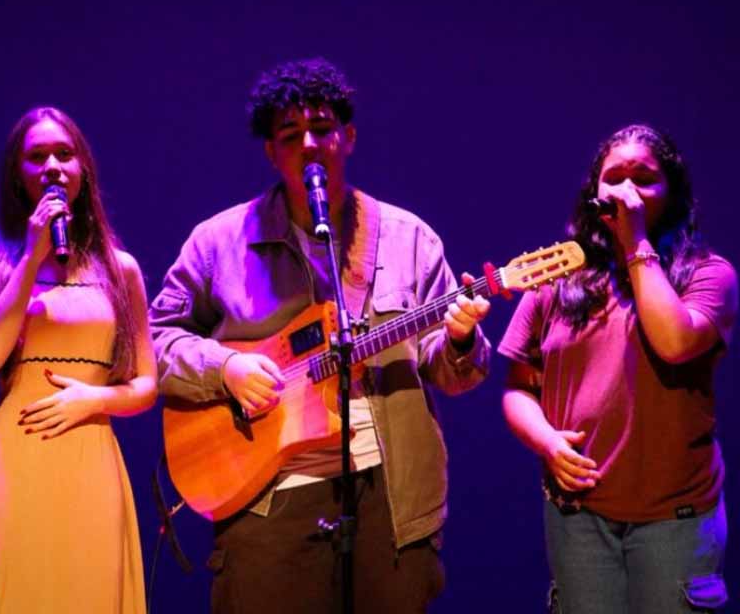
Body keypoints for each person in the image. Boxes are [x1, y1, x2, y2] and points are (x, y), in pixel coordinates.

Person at [149, 58, 491, 612]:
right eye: (291, 134)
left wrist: (458, 339)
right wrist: (227, 369)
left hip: (389, 496)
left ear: (348, 137)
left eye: (323, 129)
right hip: (267, 501)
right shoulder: (218, 243)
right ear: (271, 151)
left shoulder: (408, 239)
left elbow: (453, 374)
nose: (310, 144)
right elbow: (155, 341)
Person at [499, 124, 738, 613]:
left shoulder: (708, 273)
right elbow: (518, 388)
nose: (626, 191)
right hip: (579, 518)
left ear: (671, 193)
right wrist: (546, 440)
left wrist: (636, 245)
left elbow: (674, 342)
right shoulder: (556, 279)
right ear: (594, 193)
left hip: (674, 518)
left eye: (644, 178)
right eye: (614, 178)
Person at [0, 107, 157, 613]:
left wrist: (93, 400)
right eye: (36, 156)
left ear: (82, 170)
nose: (51, 167)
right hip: (15, 458)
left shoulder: (121, 268)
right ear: (17, 174)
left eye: (64, 155)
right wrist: (30, 256)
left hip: (90, 458)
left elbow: (147, 384)